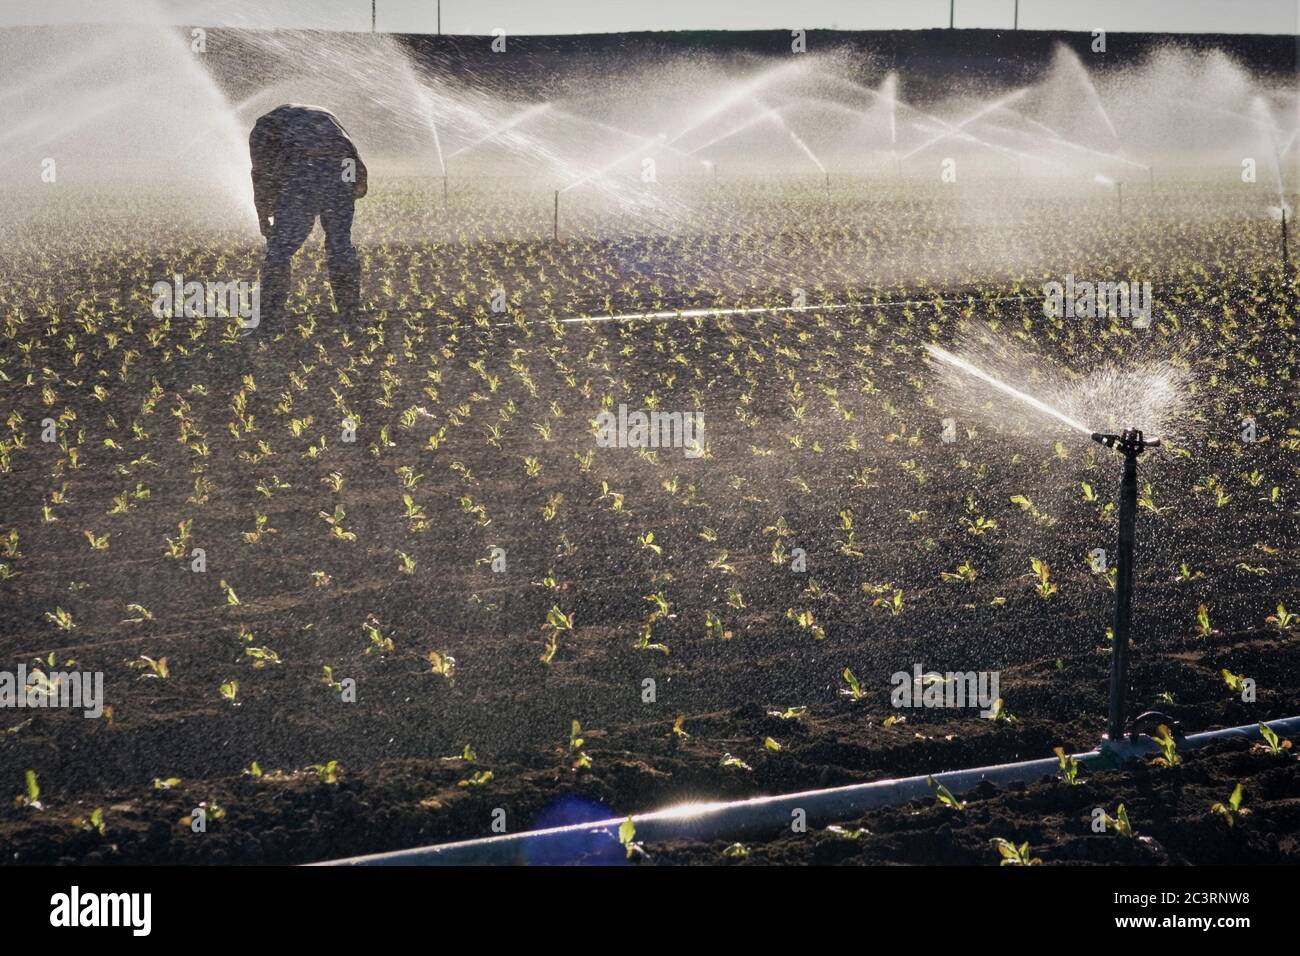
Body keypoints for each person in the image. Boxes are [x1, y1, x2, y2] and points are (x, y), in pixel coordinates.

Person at [249, 104, 367, 327]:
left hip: (303, 164)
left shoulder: (263, 128)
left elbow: (261, 176)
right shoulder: (328, 117)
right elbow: (358, 177)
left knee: (280, 251)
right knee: (340, 245)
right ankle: (351, 321)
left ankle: (268, 325)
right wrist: (339, 198)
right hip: (344, 165)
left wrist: (264, 217)